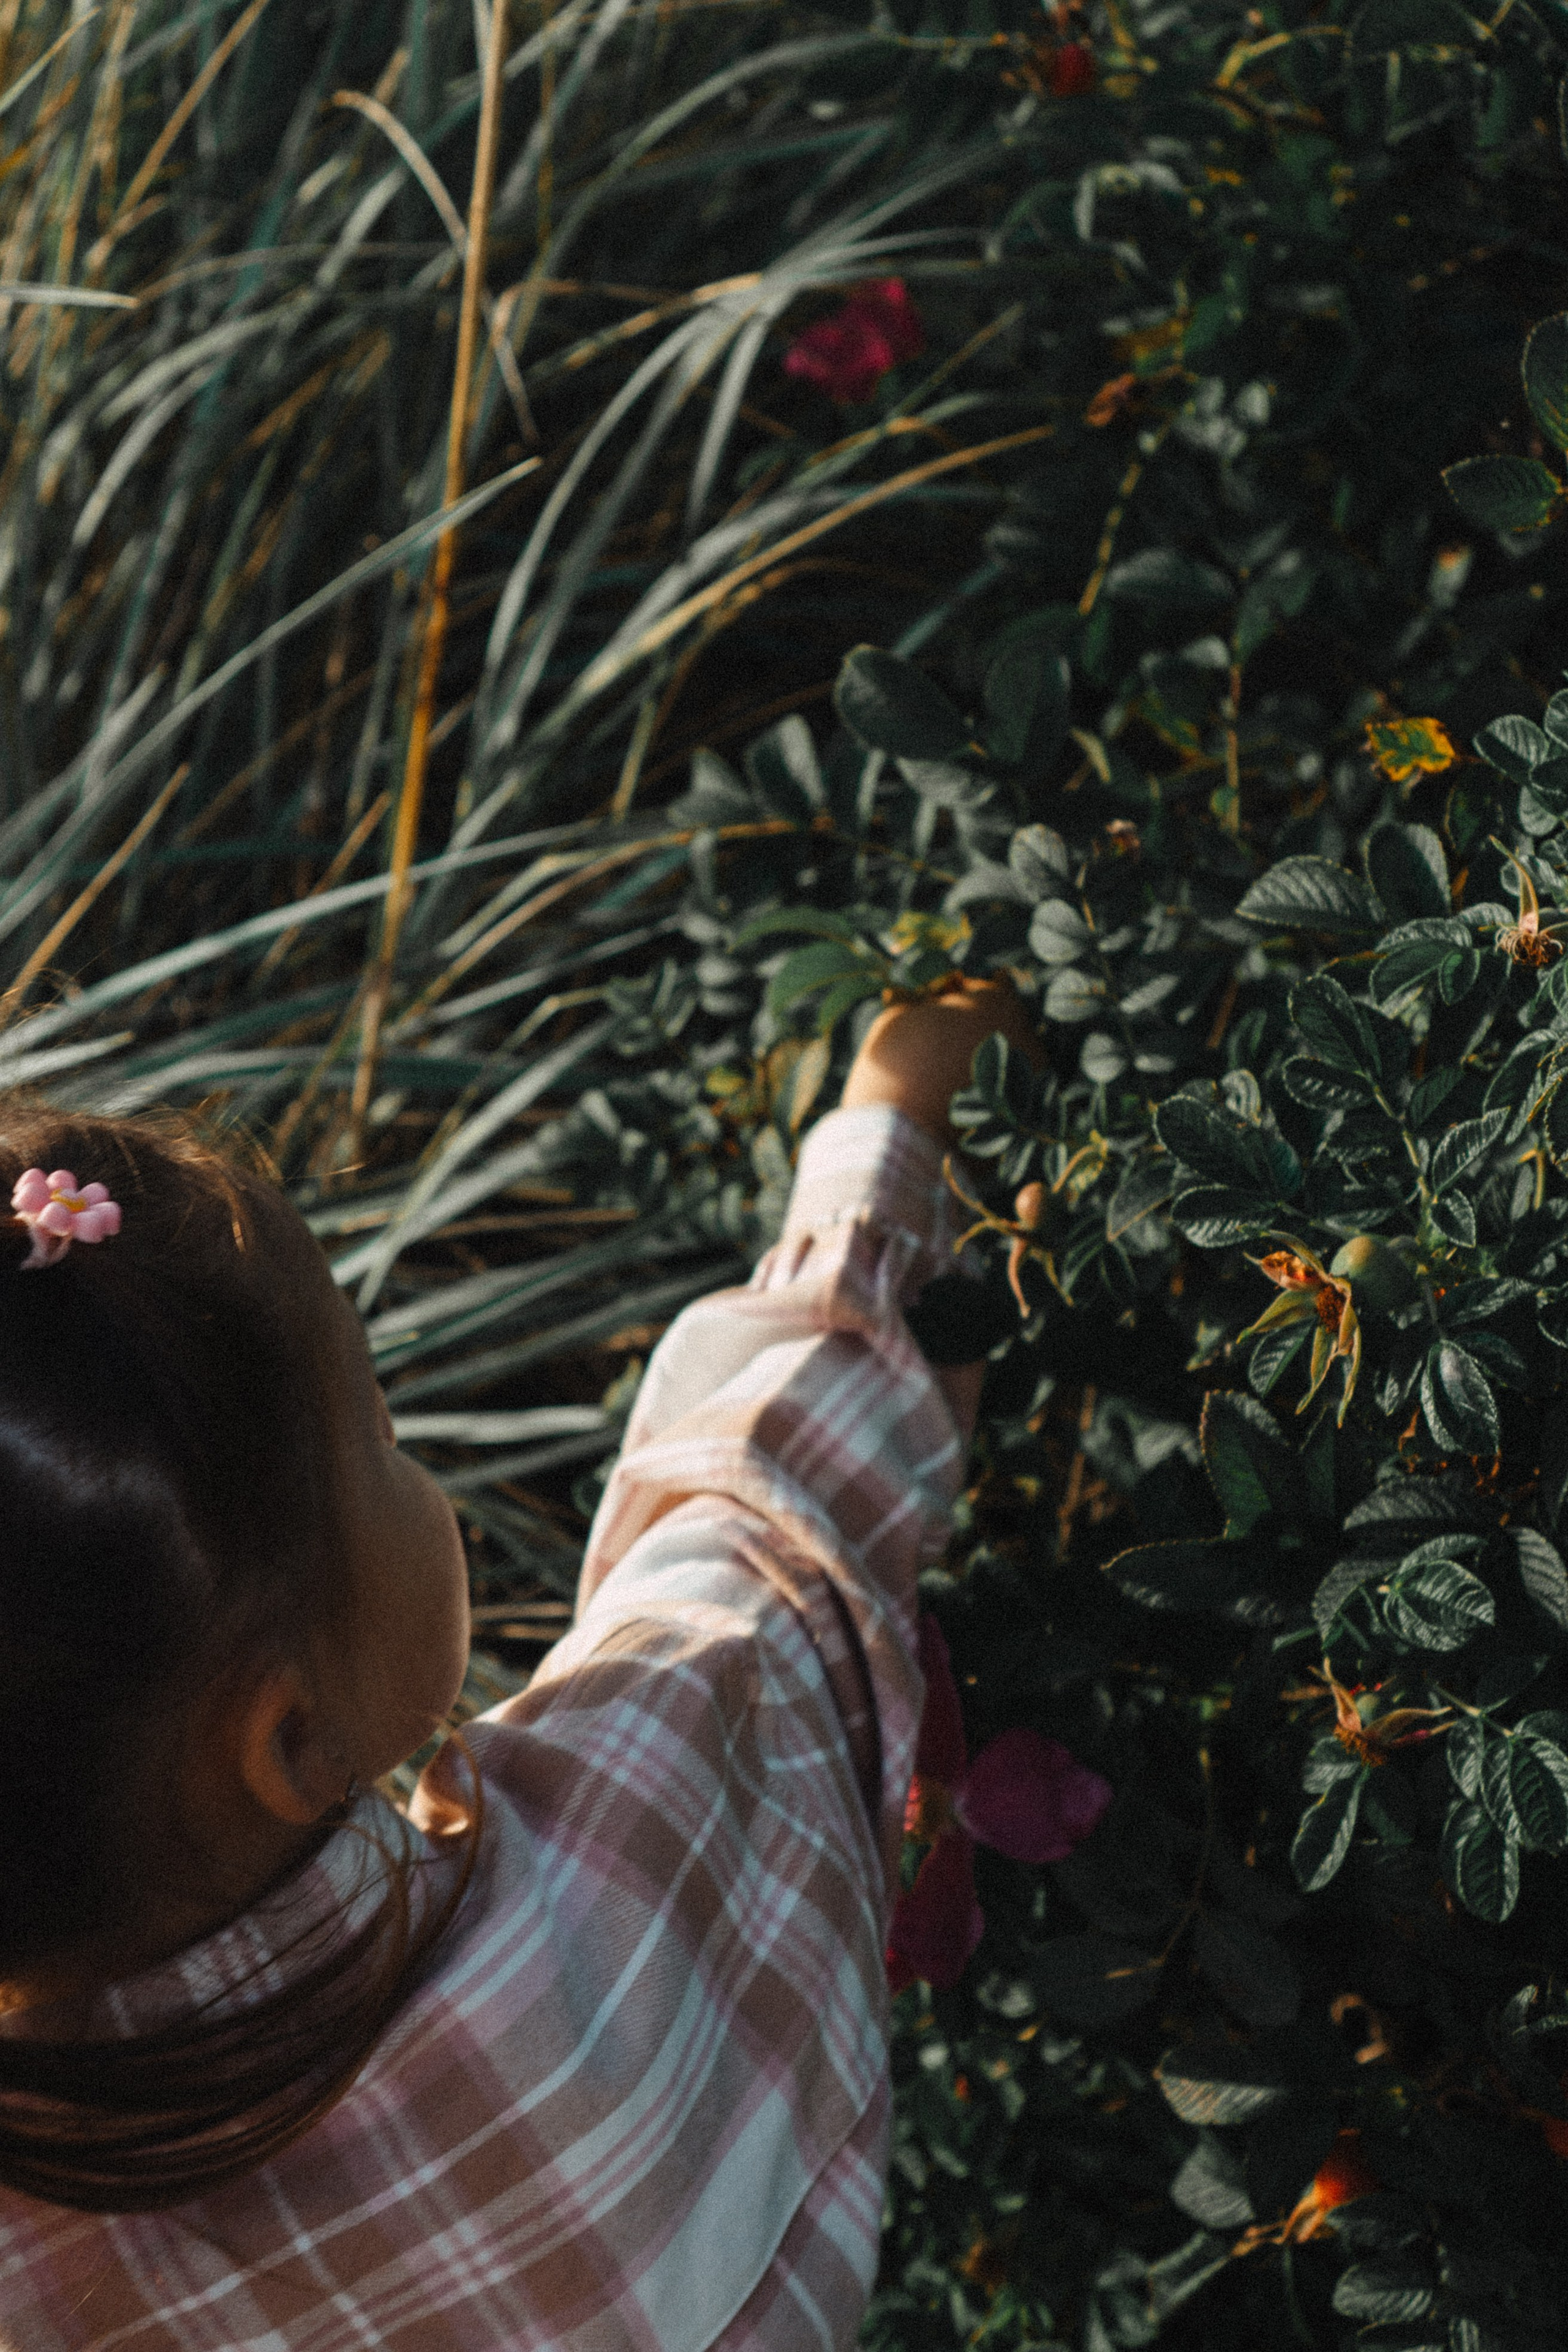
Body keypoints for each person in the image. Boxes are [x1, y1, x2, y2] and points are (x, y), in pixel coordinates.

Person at [0, 979, 1035, 2350]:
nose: (395, 1443)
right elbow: (761, 1537)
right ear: (289, 1740)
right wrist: (897, 1118)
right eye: (373, 1432)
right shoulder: (600, 1905)